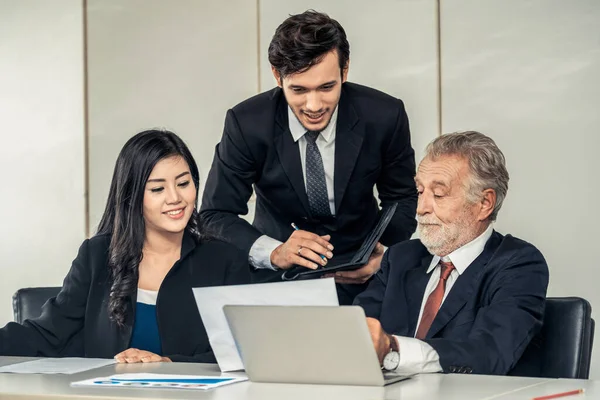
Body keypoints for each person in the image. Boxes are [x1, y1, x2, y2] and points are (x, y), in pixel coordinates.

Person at [200, 10, 417, 305]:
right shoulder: (247, 123)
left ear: (345, 70)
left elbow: (402, 198)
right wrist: (274, 253)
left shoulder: (384, 115)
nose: (314, 105)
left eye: (327, 87)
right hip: (275, 280)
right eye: (299, 90)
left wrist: (384, 254)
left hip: (364, 281)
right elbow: (215, 214)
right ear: (278, 76)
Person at [0, 129, 249, 363]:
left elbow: (242, 351)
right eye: (158, 188)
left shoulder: (225, 260)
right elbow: (47, 333)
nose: (175, 198)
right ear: (132, 195)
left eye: (183, 184)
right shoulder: (97, 255)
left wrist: (168, 364)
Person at [356, 131, 549, 375]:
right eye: (419, 192)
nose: (421, 209)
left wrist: (393, 349)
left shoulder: (518, 264)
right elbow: (355, 334)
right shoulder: (399, 258)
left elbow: (489, 354)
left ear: (484, 203)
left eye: (438, 194)